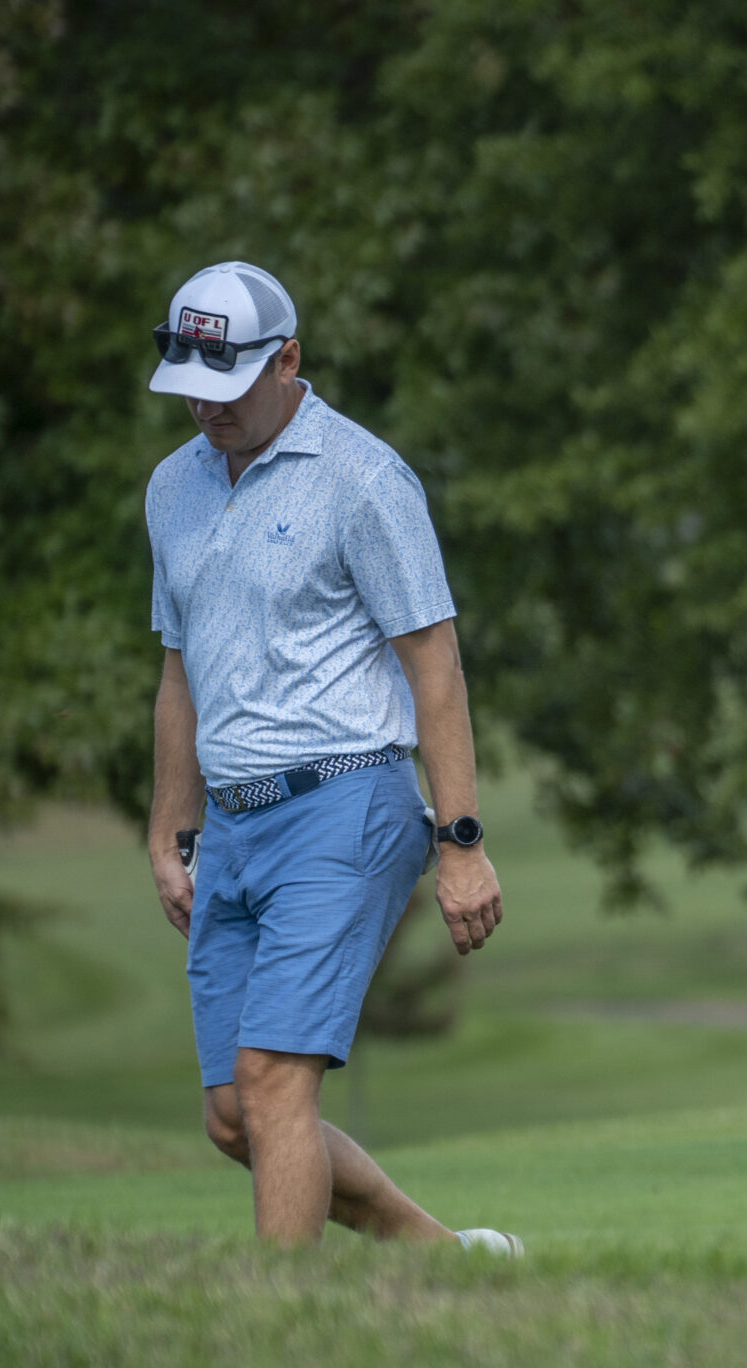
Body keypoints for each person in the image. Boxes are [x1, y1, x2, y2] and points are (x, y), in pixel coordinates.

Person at [142, 259, 517, 1252]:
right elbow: (180, 669)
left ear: (288, 361)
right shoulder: (172, 487)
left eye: (227, 386)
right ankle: (446, 1261)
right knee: (236, 1114)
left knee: (273, 1082)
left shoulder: (364, 477)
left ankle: (281, 1320)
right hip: (233, 825)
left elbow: (434, 664)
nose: (206, 408)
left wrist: (462, 842)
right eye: (190, 386)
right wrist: (171, 826)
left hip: (346, 802)